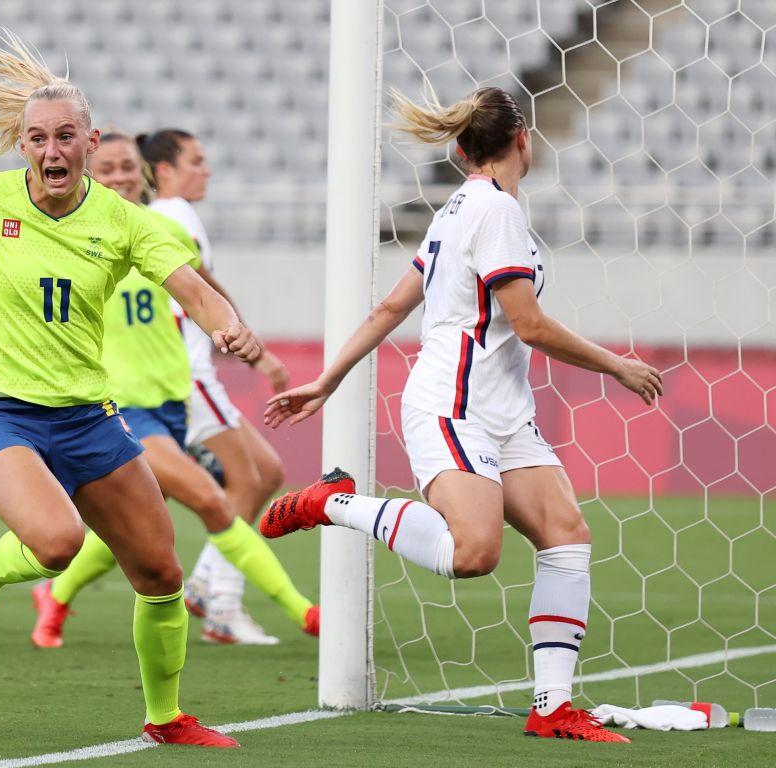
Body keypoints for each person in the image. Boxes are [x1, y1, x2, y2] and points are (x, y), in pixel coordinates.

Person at [0, 31, 248, 748]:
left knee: (159, 568)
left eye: (65, 137)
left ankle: (165, 718)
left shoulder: (123, 221)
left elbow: (192, 286)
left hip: (87, 412)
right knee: (58, 543)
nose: (52, 151)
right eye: (37, 139)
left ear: (89, 143)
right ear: (20, 146)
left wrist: (227, 325)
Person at [259, 86, 664, 743]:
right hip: (454, 407)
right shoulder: (495, 212)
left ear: (458, 147)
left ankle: (553, 707)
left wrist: (328, 379)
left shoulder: (455, 210)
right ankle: (333, 504)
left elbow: (392, 308)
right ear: (522, 140)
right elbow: (528, 325)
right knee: (473, 553)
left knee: (566, 535)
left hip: (504, 412)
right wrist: (616, 364)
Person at [0, 133, 318, 647]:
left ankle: (60, 600)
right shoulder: (58, 225)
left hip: (170, 396)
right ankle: (289, 611)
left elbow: (203, 290)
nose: (122, 177)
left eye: (130, 167)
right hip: (119, 403)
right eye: (109, 169)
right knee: (212, 501)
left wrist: (243, 336)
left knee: (134, 544)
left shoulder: (146, 230)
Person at [137, 129, 295, 633]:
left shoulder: (174, 216)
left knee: (266, 471)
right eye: (196, 161)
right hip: (183, 372)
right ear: (164, 170)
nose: (206, 170)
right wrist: (254, 350)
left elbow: (202, 284)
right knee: (246, 478)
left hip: (191, 369)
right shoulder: (169, 216)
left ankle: (209, 586)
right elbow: (198, 288)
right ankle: (218, 601)